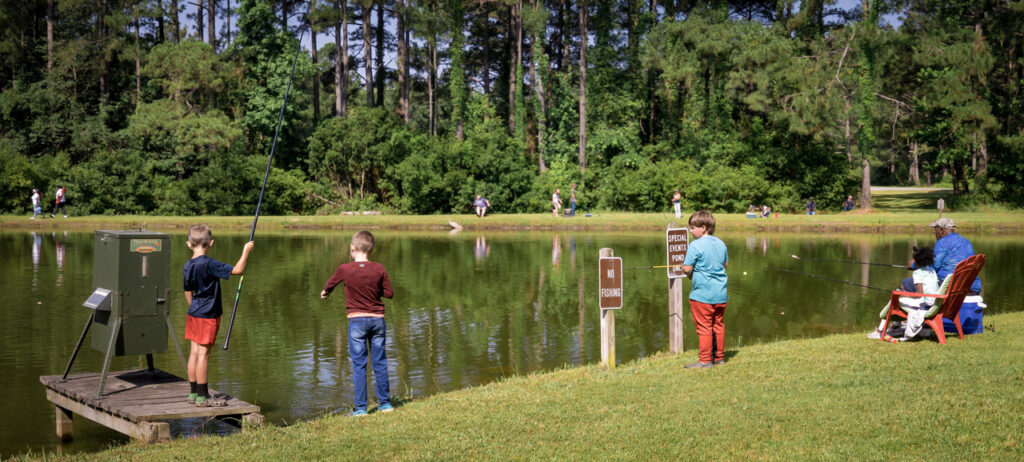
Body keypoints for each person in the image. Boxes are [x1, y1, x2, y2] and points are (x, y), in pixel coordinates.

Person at [321, 231, 395, 416]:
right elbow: (389, 293)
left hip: (356, 321)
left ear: (352, 249)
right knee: (380, 362)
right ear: (371, 250)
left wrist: (325, 293)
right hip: (377, 321)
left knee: (359, 365)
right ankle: (385, 404)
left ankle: (361, 409)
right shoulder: (379, 268)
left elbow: (329, 285)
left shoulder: (344, 269)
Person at [183, 224, 254, 407]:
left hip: (194, 313)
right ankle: (204, 396)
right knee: (204, 355)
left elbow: (187, 292)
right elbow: (237, 270)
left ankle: (193, 393)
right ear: (211, 243)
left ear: (189, 244)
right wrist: (246, 251)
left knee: (194, 352)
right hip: (208, 315)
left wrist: (194, 308)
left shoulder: (188, 265)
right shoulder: (210, 264)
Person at [682, 210, 729, 369]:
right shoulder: (721, 243)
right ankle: (719, 358)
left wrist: (689, 274)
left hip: (702, 295)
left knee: (704, 327)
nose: (690, 230)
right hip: (721, 294)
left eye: (693, 227)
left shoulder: (695, 245)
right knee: (718, 325)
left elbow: (687, 268)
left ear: (703, 227)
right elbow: (725, 265)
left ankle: (704, 361)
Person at [868, 246, 939, 340]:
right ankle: (894, 326)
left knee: (894, 300)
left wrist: (904, 295)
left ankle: (880, 331)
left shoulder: (918, 273)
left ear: (916, 262)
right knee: (899, 297)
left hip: (925, 304)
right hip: (934, 303)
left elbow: (919, 294)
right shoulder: (931, 270)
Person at [905, 218, 981, 295]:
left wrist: (915, 265)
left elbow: (933, 266)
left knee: (906, 283)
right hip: (973, 285)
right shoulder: (966, 242)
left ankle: (920, 306)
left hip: (952, 286)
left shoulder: (942, 243)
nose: (935, 232)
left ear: (941, 230)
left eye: (935, 229)